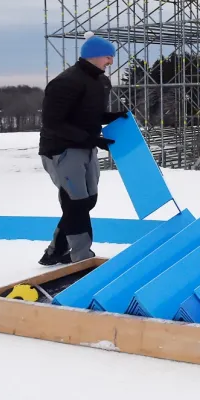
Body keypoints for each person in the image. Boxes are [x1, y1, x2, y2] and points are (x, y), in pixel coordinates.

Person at [38, 31, 128, 266]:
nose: (111, 61)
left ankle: (56, 249)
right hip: (62, 149)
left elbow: (88, 114)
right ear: (94, 55)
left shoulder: (99, 81)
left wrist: (113, 117)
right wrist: (89, 139)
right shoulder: (65, 82)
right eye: (109, 56)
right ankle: (82, 258)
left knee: (88, 200)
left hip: (86, 146)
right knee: (76, 203)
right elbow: (53, 122)